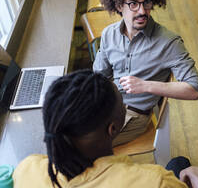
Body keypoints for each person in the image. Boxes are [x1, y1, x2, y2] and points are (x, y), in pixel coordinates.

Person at [12, 70, 188, 188]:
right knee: (180, 165)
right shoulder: (156, 182)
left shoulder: (26, 169)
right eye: (122, 105)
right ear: (113, 128)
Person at [93, 0, 198, 146]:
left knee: (81, 147)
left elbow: (194, 90)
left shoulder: (168, 42)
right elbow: (99, 76)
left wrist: (145, 85)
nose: (142, 11)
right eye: (134, 4)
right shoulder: (108, 34)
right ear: (119, 5)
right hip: (106, 105)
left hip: (133, 115)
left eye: (147, 3)